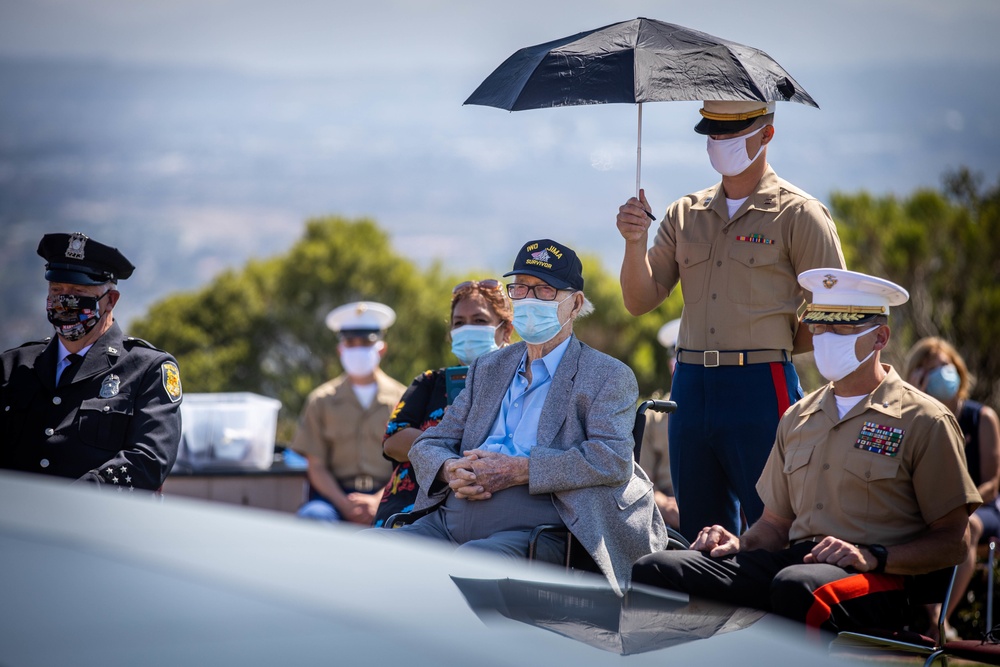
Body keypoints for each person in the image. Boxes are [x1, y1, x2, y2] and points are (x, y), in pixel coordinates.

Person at [632, 268, 981, 635]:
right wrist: (738, 542)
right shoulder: (798, 416)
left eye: (840, 328)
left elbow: (954, 540)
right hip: (796, 562)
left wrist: (873, 556)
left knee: (795, 589)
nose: (825, 338)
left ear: (880, 336)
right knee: (656, 571)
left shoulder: (924, 419)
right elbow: (774, 525)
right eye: (818, 327)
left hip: (876, 574)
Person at [380, 238, 668, 595]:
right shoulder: (488, 367)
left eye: (544, 291)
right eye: (520, 288)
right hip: (448, 521)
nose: (528, 300)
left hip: (542, 530)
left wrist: (520, 471)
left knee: (468, 568)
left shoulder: (607, 375)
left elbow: (611, 460)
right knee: (365, 554)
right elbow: (432, 442)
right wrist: (448, 468)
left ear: (575, 303)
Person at [616, 99, 847, 541]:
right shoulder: (685, 214)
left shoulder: (800, 214)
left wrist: (775, 339)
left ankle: (775, 611)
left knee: (776, 526)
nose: (720, 141)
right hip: (691, 387)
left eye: (734, 132)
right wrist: (634, 241)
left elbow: (833, 312)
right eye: (713, 132)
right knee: (703, 531)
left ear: (767, 134)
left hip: (760, 385)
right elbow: (639, 300)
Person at [0, 232, 182, 491]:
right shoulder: (11, 366)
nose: (64, 301)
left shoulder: (147, 370)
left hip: (98, 523)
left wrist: (73, 497)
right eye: (57, 290)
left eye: (77, 292)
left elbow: (148, 461)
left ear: (111, 301)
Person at [373, 279, 513, 527]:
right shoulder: (430, 382)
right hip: (409, 506)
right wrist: (446, 456)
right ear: (450, 334)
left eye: (480, 321)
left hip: (476, 508)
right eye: (459, 323)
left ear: (506, 330)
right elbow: (393, 440)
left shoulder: (521, 385)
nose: (468, 329)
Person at [905, 336, 1000, 639]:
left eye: (944, 366)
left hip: (982, 511)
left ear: (957, 369)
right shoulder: (915, 421)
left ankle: (939, 619)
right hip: (931, 511)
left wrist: (958, 505)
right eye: (928, 370)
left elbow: (993, 483)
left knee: (965, 526)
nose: (940, 374)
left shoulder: (981, 418)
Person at [291, 301, 407, 524]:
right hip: (333, 499)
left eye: (365, 342)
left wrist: (376, 500)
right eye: (351, 343)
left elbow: (409, 463)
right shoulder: (321, 400)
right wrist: (343, 504)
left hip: (389, 495)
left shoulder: (403, 398)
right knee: (313, 517)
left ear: (381, 348)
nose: (358, 349)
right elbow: (316, 466)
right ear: (340, 349)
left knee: (412, 525)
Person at [638, 318, 681, 529]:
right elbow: (639, 481)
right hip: (668, 516)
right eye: (678, 353)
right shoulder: (653, 416)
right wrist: (663, 505)